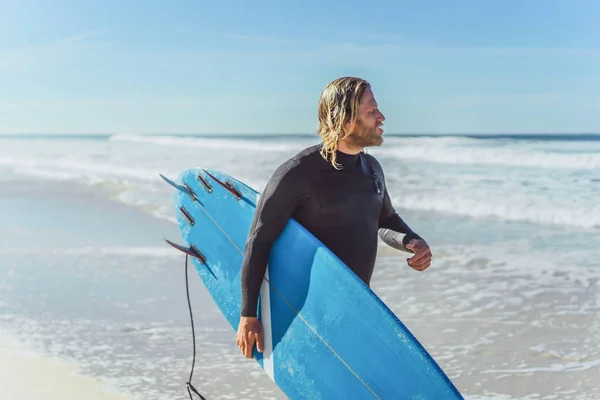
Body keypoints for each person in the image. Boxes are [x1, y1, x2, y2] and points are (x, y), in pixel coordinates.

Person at [235, 76, 432, 359]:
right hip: (307, 311)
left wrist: (412, 240)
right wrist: (248, 315)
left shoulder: (372, 169)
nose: (382, 117)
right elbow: (259, 240)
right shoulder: (298, 173)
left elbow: (385, 219)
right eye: (371, 111)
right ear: (346, 119)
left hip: (351, 306)